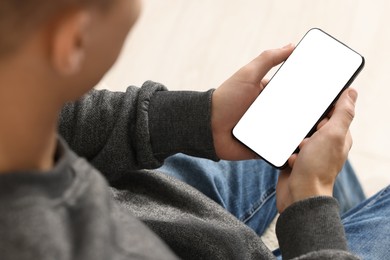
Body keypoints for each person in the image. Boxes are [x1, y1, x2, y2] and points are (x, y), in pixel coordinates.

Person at [0, 1, 388, 260]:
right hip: (176, 235)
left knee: (292, 136)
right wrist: (313, 212)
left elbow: (59, 117)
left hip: (153, 209)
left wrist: (198, 117)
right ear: (73, 40)